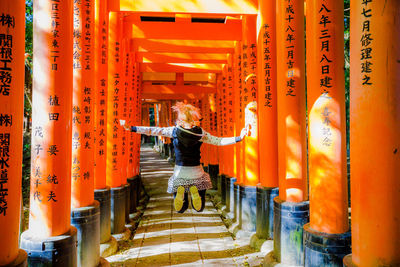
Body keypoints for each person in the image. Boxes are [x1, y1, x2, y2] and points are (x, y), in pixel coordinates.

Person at [123, 102, 248, 213]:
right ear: (194, 119)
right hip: (196, 171)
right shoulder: (200, 133)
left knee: (181, 209)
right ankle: (195, 191)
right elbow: (219, 141)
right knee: (199, 207)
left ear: (180, 120)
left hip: (179, 172)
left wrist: (132, 128)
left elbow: (153, 130)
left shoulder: (173, 131)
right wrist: (238, 138)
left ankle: (181, 194)